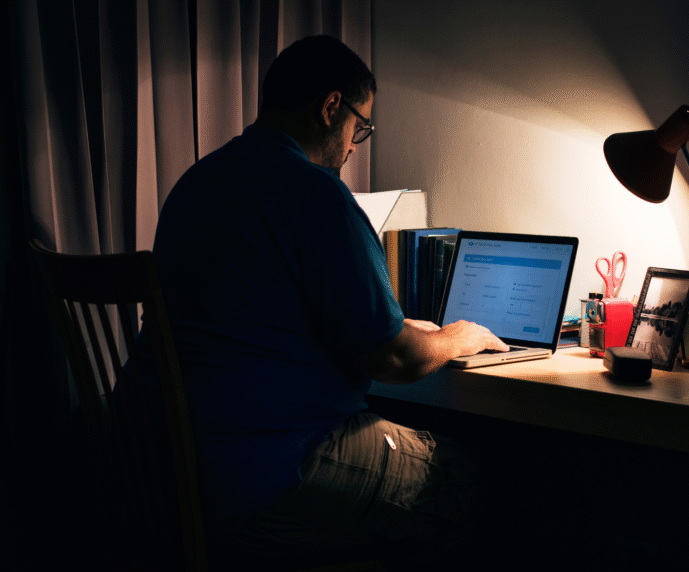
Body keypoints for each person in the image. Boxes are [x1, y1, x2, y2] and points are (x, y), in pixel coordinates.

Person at [142, 35, 508, 564]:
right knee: (467, 480)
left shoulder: (200, 181)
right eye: (360, 125)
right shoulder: (312, 192)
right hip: (267, 468)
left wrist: (399, 323)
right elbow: (396, 359)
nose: (356, 143)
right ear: (331, 106)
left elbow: (260, 317)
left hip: (170, 463)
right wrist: (457, 336)